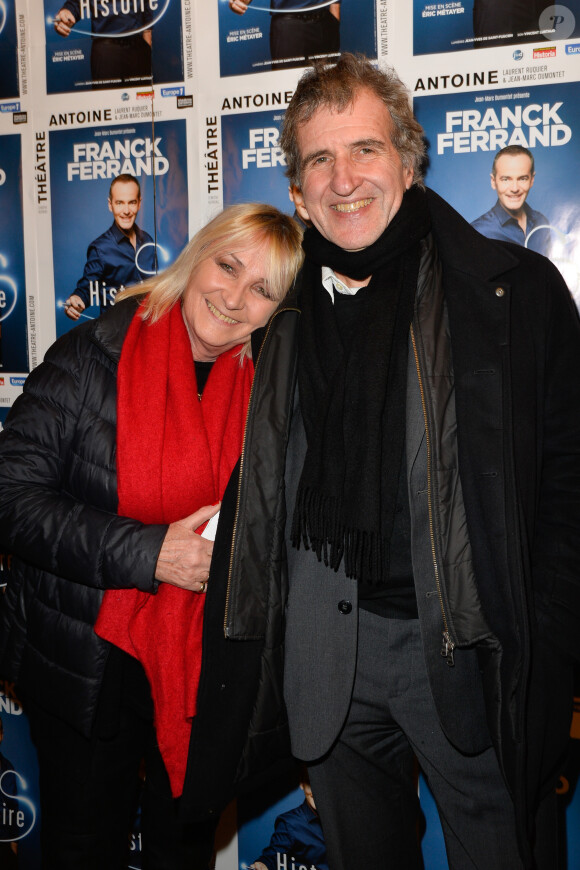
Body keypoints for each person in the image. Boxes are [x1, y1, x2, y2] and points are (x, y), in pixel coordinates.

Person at [248, 53, 577, 869]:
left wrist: (547, 658)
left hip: (467, 651)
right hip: (331, 661)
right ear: (297, 190)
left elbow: (567, 488)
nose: (344, 178)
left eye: (364, 149)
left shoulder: (513, 292)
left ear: (408, 159)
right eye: (319, 159)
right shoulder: (276, 314)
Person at [0, 203, 304, 870]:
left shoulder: (273, 393)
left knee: (184, 854)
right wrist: (150, 553)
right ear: (198, 256)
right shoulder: (93, 354)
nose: (233, 297)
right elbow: (12, 497)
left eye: (263, 290)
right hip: (88, 660)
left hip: (207, 670)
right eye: (228, 266)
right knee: (84, 850)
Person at [64, 174, 156, 321]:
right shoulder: (100, 248)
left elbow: (154, 286)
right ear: (110, 204)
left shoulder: (148, 241)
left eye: (131, 202)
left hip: (146, 330)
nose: (126, 210)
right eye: (119, 203)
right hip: (115, 335)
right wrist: (77, 299)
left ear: (139, 203)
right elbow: (87, 288)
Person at [471, 146, 552, 256]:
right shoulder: (478, 232)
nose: (514, 188)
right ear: (493, 182)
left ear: (532, 180)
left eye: (522, 178)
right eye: (505, 179)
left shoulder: (541, 222)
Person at [53, 0, 153, 90]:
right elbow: (75, 4)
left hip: (138, 48)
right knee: (106, 102)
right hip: (106, 51)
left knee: (142, 102)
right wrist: (66, 13)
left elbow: (147, 8)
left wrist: (147, 50)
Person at [228, 0, 340, 71]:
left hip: (325, 25)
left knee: (328, 92)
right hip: (290, 27)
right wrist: (239, 1)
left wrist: (334, 20)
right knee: (289, 90)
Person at [250, 770, 328, 870]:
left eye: (322, 784)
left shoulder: (345, 819)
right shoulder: (290, 823)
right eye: (310, 783)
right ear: (302, 784)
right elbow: (272, 857)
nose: (316, 791)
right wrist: (263, 865)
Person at [0, 716, 19, 868]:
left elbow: (13, 808)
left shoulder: (8, 768)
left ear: (1, 735)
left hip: (4, 843)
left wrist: (14, 841)